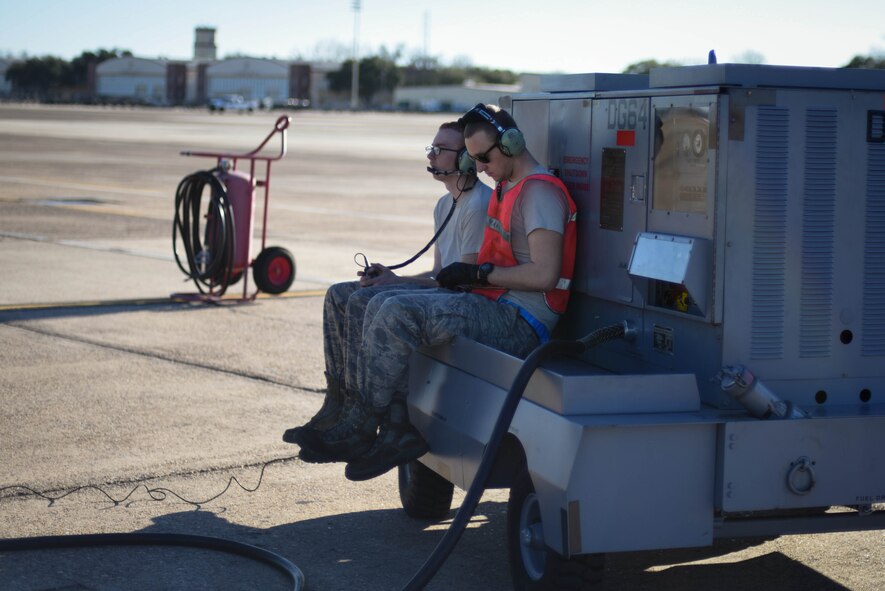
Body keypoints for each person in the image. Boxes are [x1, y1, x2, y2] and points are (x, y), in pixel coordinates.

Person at [300, 104, 577, 481]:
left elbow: (545, 274)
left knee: (397, 312)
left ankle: (361, 428)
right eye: (474, 159)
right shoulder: (508, 188)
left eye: (483, 157)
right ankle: (364, 418)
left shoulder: (539, 193)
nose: (478, 167)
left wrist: (481, 273)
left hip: (521, 321)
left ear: (511, 144)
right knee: (381, 301)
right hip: (496, 304)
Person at [283, 121, 492, 462]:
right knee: (340, 294)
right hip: (447, 291)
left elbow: (461, 282)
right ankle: (339, 404)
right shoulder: (444, 205)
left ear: (467, 159)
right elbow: (440, 275)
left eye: (441, 150)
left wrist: (395, 285)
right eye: (432, 148)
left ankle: (362, 420)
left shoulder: (478, 204)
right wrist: (393, 278)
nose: (433, 155)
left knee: (370, 299)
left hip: (464, 301)